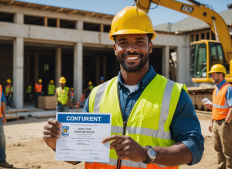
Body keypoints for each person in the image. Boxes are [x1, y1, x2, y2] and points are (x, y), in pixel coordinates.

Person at [43, 6, 203, 168]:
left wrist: (146, 153)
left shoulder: (174, 94)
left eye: (139, 42)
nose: (131, 48)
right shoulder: (97, 94)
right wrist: (56, 144)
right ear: (115, 49)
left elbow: (195, 148)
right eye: (123, 42)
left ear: (150, 46)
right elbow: (79, 156)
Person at [205, 64, 232, 169]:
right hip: (216, 123)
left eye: (213, 74)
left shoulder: (228, 88)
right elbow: (217, 108)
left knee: (228, 151)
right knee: (218, 149)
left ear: (221, 75)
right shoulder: (216, 89)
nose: (211, 77)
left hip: (225, 124)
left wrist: (226, 122)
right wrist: (211, 122)